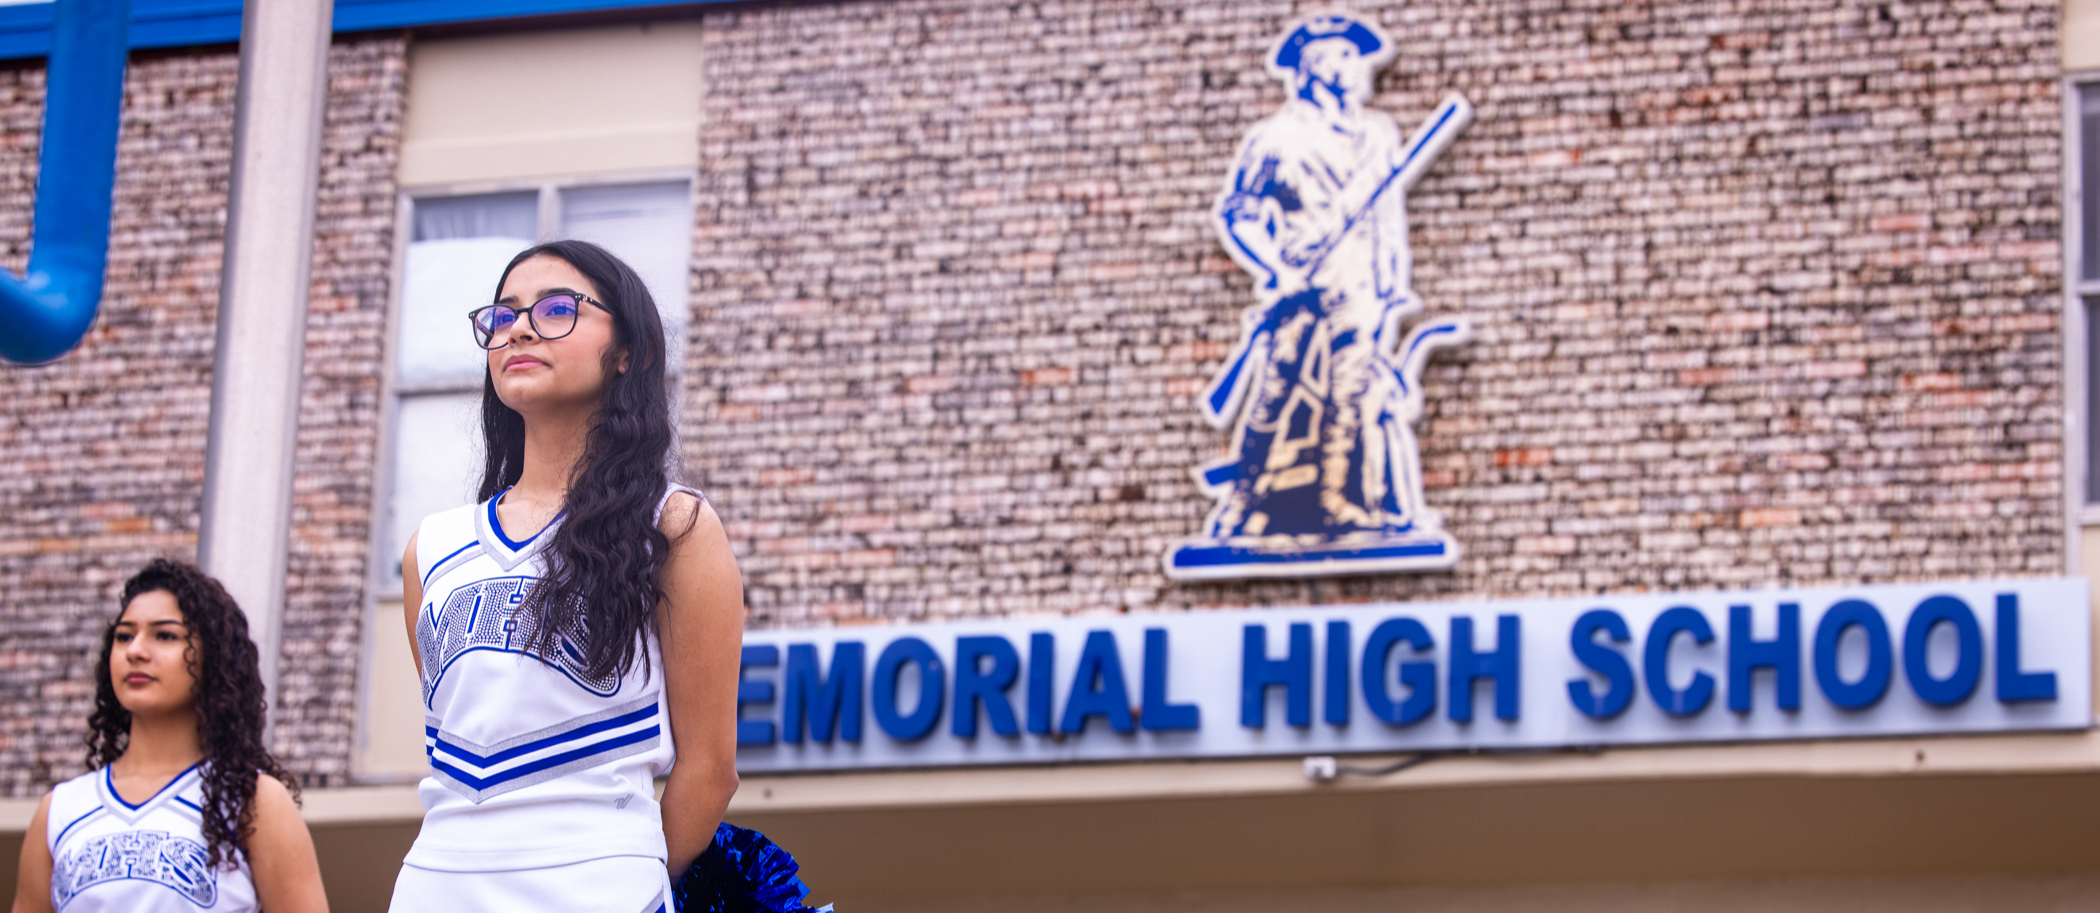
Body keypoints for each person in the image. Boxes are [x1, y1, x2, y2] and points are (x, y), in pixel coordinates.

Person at [390, 239, 776, 912]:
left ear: (626, 353)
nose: (522, 328)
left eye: (557, 308)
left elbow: (710, 769)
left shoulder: (673, 526)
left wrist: (637, 879)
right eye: (504, 315)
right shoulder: (431, 548)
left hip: (597, 883)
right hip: (436, 883)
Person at [11, 558, 329, 913]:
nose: (136, 650)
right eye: (124, 636)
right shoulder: (59, 811)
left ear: (214, 657)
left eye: (165, 635)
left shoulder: (253, 802)